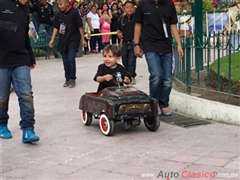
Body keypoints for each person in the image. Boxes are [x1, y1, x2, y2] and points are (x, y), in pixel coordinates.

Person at [134, 0, 183, 116]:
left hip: (166, 46)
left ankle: (164, 104)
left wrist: (179, 44)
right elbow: (138, 25)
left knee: (167, 79)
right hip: (150, 45)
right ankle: (154, 103)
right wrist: (136, 44)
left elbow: (172, 25)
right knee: (156, 75)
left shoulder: (169, 4)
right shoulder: (143, 4)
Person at [0, 0, 40, 143]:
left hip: (21, 58)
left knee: (26, 94)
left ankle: (28, 129)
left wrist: (30, 56)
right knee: (2, 97)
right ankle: (2, 125)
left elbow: (25, 36)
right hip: (2, 59)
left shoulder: (24, 9)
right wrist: (9, 26)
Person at [49, 0, 87, 88]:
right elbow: (56, 27)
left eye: (61, 4)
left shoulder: (74, 13)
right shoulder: (58, 15)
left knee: (70, 59)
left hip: (73, 40)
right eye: (58, 4)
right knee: (65, 61)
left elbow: (80, 26)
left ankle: (72, 78)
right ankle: (67, 78)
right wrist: (52, 39)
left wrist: (83, 39)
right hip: (63, 40)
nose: (59, 6)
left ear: (67, 4)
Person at [117, 1, 137, 85]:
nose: (129, 9)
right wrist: (118, 33)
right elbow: (118, 30)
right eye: (127, 7)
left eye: (131, 7)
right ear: (124, 8)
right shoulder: (121, 19)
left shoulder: (137, 18)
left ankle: (132, 76)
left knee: (131, 61)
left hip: (134, 42)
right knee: (124, 60)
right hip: (125, 42)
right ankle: (127, 74)